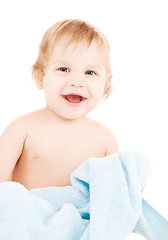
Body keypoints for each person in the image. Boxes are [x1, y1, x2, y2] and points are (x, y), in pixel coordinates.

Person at [0, 19, 119, 190]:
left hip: (80, 216)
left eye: (90, 72)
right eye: (63, 69)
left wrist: (130, 188)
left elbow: (114, 195)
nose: (77, 82)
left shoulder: (105, 140)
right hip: (28, 214)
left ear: (106, 84)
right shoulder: (23, 129)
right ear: (40, 76)